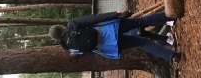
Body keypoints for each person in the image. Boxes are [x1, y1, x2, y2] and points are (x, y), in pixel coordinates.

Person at [49, 11, 181, 63]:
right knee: (141, 21)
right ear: (60, 27)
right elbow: (94, 18)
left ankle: (172, 56)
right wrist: (115, 14)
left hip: (108, 46)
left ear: (57, 39)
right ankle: (170, 17)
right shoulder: (72, 24)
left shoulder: (70, 47)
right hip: (110, 29)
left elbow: (88, 50)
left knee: (142, 43)